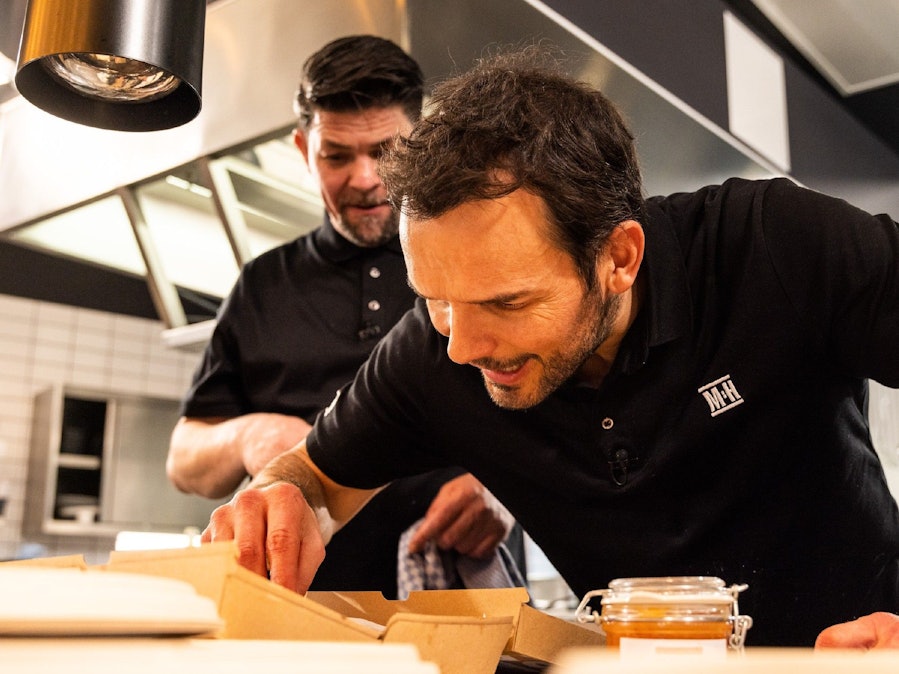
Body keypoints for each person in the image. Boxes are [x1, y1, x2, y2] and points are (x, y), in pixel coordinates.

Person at [200, 45, 899, 648]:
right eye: (436, 299)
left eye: (506, 302)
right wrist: (276, 494)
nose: (463, 348)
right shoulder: (431, 351)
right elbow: (312, 478)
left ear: (620, 258)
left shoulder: (773, 247)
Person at [168, 35, 521, 599]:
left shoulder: (475, 260)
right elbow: (184, 461)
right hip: (293, 610)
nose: (364, 177)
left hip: (465, 607)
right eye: (337, 155)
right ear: (303, 149)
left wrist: (506, 490)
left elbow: (557, 409)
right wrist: (247, 435)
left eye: (386, 150)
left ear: (422, 142)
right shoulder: (262, 284)